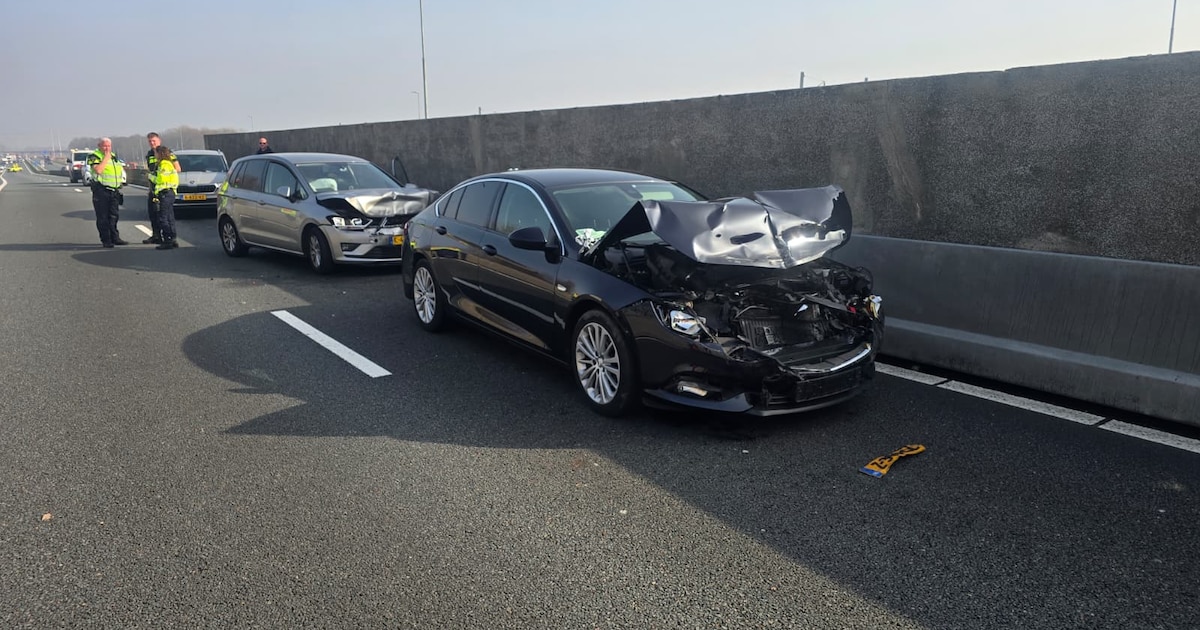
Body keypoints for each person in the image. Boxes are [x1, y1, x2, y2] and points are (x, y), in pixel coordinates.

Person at [86, 138, 127, 248]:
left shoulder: (113, 156)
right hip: (101, 190)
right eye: (104, 146)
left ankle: (115, 237)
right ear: (99, 146)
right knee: (103, 217)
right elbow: (98, 170)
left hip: (114, 190)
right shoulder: (94, 156)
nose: (107, 148)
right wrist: (105, 159)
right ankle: (106, 239)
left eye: (109, 146)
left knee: (114, 216)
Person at [143, 132, 179, 244]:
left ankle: (170, 238)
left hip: (163, 188)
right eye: (150, 141)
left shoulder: (166, 153)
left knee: (166, 215)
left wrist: (161, 176)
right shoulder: (149, 154)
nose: (152, 143)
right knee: (153, 213)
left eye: (154, 141)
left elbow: (177, 168)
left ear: (159, 140)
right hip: (154, 188)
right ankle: (156, 236)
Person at [150, 145, 180, 249]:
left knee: (163, 218)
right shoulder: (170, 163)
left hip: (165, 193)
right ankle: (173, 239)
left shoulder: (163, 164)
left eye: (156, 153)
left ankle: (167, 240)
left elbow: (161, 180)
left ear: (160, 153)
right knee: (169, 217)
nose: (155, 155)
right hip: (170, 193)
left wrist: (150, 176)